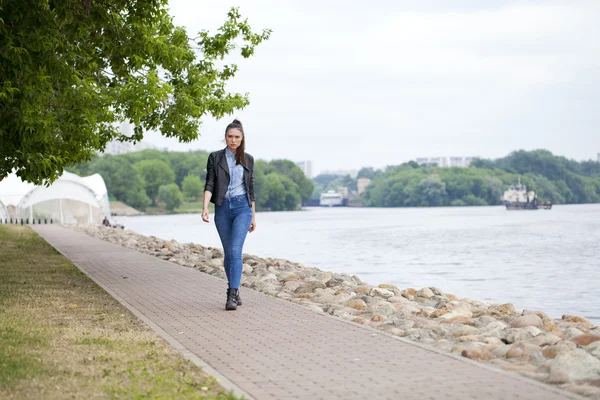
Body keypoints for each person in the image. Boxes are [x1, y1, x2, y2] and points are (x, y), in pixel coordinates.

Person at [202, 119, 256, 310]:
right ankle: (235, 288)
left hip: (243, 208)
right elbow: (210, 183)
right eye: (230, 136)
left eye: (237, 137)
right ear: (225, 137)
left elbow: (250, 189)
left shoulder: (248, 159)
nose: (233, 140)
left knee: (235, 250)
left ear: (242, 139)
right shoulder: (215, 158)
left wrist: (253, 216)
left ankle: (231, 295)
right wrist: (205, 207)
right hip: (222, 208)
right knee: (228, 254)